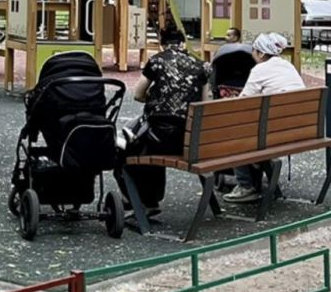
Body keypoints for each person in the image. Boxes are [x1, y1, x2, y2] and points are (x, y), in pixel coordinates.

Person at [118, 23, 207, 215]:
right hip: (190, 139)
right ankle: (150, 201)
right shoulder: (201, 65)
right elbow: (204, 104)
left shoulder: (157, 61)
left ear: (162, 44)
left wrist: (156, 100)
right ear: (183, 44)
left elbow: (138, 94)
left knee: (128, 150)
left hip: (160, 137)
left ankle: (141, 200)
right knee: (148, 147)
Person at [225, 32, 304, 204]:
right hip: (298, 129)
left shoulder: (259, 70)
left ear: (260, 53)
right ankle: (256, 162)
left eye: (253, 50)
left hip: (273, 133)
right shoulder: (288, 66)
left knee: (234, 133)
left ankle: (246, 186)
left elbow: (243, 102)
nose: (252, 54)